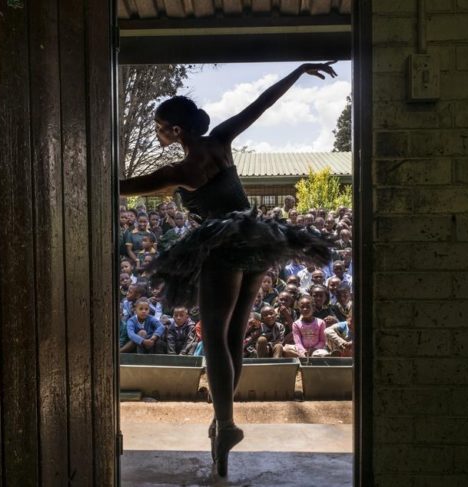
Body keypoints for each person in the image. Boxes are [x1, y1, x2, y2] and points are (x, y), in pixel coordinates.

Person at [119, 61, 337, 477]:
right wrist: (298, 71)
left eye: (160, 127)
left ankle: (227, 423)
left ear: (176, 131)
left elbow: (121, 187)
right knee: (234, 331)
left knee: (216, 334)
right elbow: (261, 104)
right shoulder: (220, 139)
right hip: (257, 240)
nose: (158, 133)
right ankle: (224, 422)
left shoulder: (180, 170)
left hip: (223, 245)